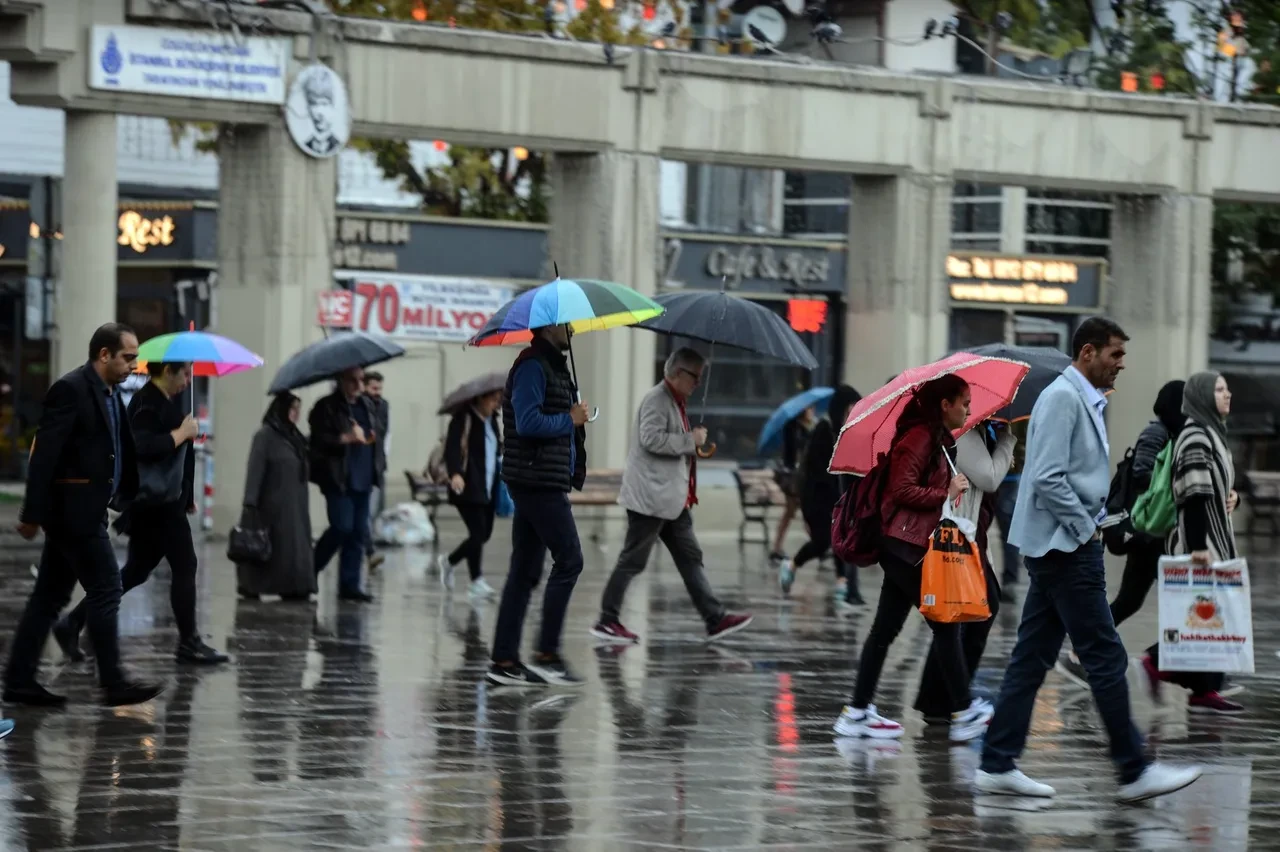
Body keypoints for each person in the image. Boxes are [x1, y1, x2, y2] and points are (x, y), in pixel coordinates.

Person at [976, 317, 1201, 803]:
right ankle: (1134, 768)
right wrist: (1085, 530)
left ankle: (996, 761)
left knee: (1032, 657)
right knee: (1104, 656)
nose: (1121, 364)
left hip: (1064, 544)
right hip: (1066, 548)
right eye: (1114, 354)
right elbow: (1048, 478)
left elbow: (1072, 477)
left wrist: (1103, 515)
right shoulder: (1062, 398)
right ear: (1087, 353)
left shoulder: (1084, 399)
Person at [6, 323, 164, 707]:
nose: (134, 364)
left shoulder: (110, 393)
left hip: (85, 510)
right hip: (73, 513)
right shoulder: (71, 389)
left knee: (49, 596)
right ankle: (112, 682)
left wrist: (126, 494)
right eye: (128, 357)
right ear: (104, 355)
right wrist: (32, 513)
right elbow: (44, 455)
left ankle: (18, 681)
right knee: (107, 587)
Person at [832, 374, 993, 743]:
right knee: (946, 624)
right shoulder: (920, 437)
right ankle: (965, 709)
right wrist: (944, 492)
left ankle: (857, 711)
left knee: (885, 630)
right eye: (964, 402)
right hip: (906, 548)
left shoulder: (934, 438)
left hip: (904, 546)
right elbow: (900, 490)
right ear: (944, 405)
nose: (968, 409)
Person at [53, 361, 228, 665]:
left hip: (162, 502)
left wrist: (187, 495)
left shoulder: (160, 401)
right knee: (185, 565)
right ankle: (188, 642)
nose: (187, 380)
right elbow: (142, 447)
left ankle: (74, 623)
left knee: (135, 570)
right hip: (157, 505)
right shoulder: (148, 403)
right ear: (166, 372)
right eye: (183, 374)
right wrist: (181, 433)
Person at [591, 348, 754, 644]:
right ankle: (607, 619)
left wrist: (692, 444)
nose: (698, 383)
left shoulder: (676, 401)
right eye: (695, 377)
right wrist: (689, 440)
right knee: (633, 561)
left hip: (672, 500)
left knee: (690, 558)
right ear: (677, 373)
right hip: (651, 499)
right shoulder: (657, 399)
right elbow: (650, 439)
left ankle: (714, 618)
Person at [1058, 381, 1185, 687]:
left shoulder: (1177, 435)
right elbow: (1142, 474)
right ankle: (1156, 662)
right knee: (1158, 601)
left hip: (1158, 535)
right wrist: (1173, 486)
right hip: (1148, 534)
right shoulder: (1157, 433)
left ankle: (1165, 664)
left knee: (1134, 600)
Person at [487, 323, 590, 688]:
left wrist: (576, 416)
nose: (573, 330)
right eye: (567, 324)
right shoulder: (532, 366)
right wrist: (569, 419)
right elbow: (529, 422)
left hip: (540, 478)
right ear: (549, 326)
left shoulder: (552, 366)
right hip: (535, 480)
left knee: (526, 571)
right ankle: (547, 654)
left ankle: (504, 660)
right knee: (570, 559)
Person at [914, 419, 1015, 722]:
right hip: (958, 536)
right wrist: (1008, 443)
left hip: (971, 535)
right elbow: (989, 477)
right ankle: (949, 702)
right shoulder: (966, 433)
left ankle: (941, 701)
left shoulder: (981, 432)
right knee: (967, 614)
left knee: (960, 618)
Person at [1153, 372, 1242, 712]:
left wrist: (1234, 497)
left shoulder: (1213, 434)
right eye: (1220, 389)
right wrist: (1197, 547)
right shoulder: (1194, 436)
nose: (1227, 394)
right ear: (1203, 396)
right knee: (1199, 615)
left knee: (1210, 615)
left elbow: (1218, 488)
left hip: (1216, 536)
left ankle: (1205, 690)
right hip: (1201, 541)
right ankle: (1155, 662)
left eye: (1226, 388)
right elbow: (1194, 493)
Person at [778, 385, 864, 606]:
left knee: (836, 539)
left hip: (836, 500)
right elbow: (818, 471)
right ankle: (792, 565)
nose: (852, 412)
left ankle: (842, 582)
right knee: (822, 541)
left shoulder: (845, 431)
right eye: (849, 408)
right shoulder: (824, 430)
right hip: (816, 499)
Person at [236, 393, 317, 601]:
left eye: (298, 408)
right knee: (272, 548)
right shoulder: (265, 436)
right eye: (292, 408)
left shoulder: (295, 438)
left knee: (293, 548)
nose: (296, 413)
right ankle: (256, 585)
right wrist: (250, 503)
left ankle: (294, 586)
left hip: (295, 505)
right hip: (272, 505)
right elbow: (255, 469)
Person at [310, 367, 379, 603]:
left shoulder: (367, 405)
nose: (359, 384)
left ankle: (350, 585)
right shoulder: (326, 407)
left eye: (361, 379)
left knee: (358, 533)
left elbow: (373, 433)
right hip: (338, 478)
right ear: (340, 381)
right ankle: (311, 568)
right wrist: (346, 438)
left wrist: (369, 439)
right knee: (341, 526)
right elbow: (319, 440)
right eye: (353, 380)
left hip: (363, 477)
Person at [438, 388, 503, 601]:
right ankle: (476, 581)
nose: (496, 404)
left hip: (489, 485)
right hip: (467, 486)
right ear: (480, 398)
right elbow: (452, 449)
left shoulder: (492, 421)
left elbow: (496, 449)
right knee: (477, 533)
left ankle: (449, 562)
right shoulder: (463, 420)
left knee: (484, 535)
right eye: (493, 400)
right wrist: (456, 473)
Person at [770, 407, 815, 561]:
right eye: (810, 409)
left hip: (797, 479)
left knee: (792, 513)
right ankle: (821, 544)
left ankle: (777, 547)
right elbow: (797, 454)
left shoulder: (801, 429)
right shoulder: (795, 430)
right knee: (803, 512)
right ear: (803, 411)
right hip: (794, 480)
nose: (813, 412)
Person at [363, 371, 390, 572]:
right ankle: (369, 551)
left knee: (372, 513)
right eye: (373, 388)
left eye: (379, 388)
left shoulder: (384, 406)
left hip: (377, 465)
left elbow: (384, 433)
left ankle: (368, 549)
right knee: (366, 513)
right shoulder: (361, 406)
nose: (377, 392)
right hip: (363, 465)